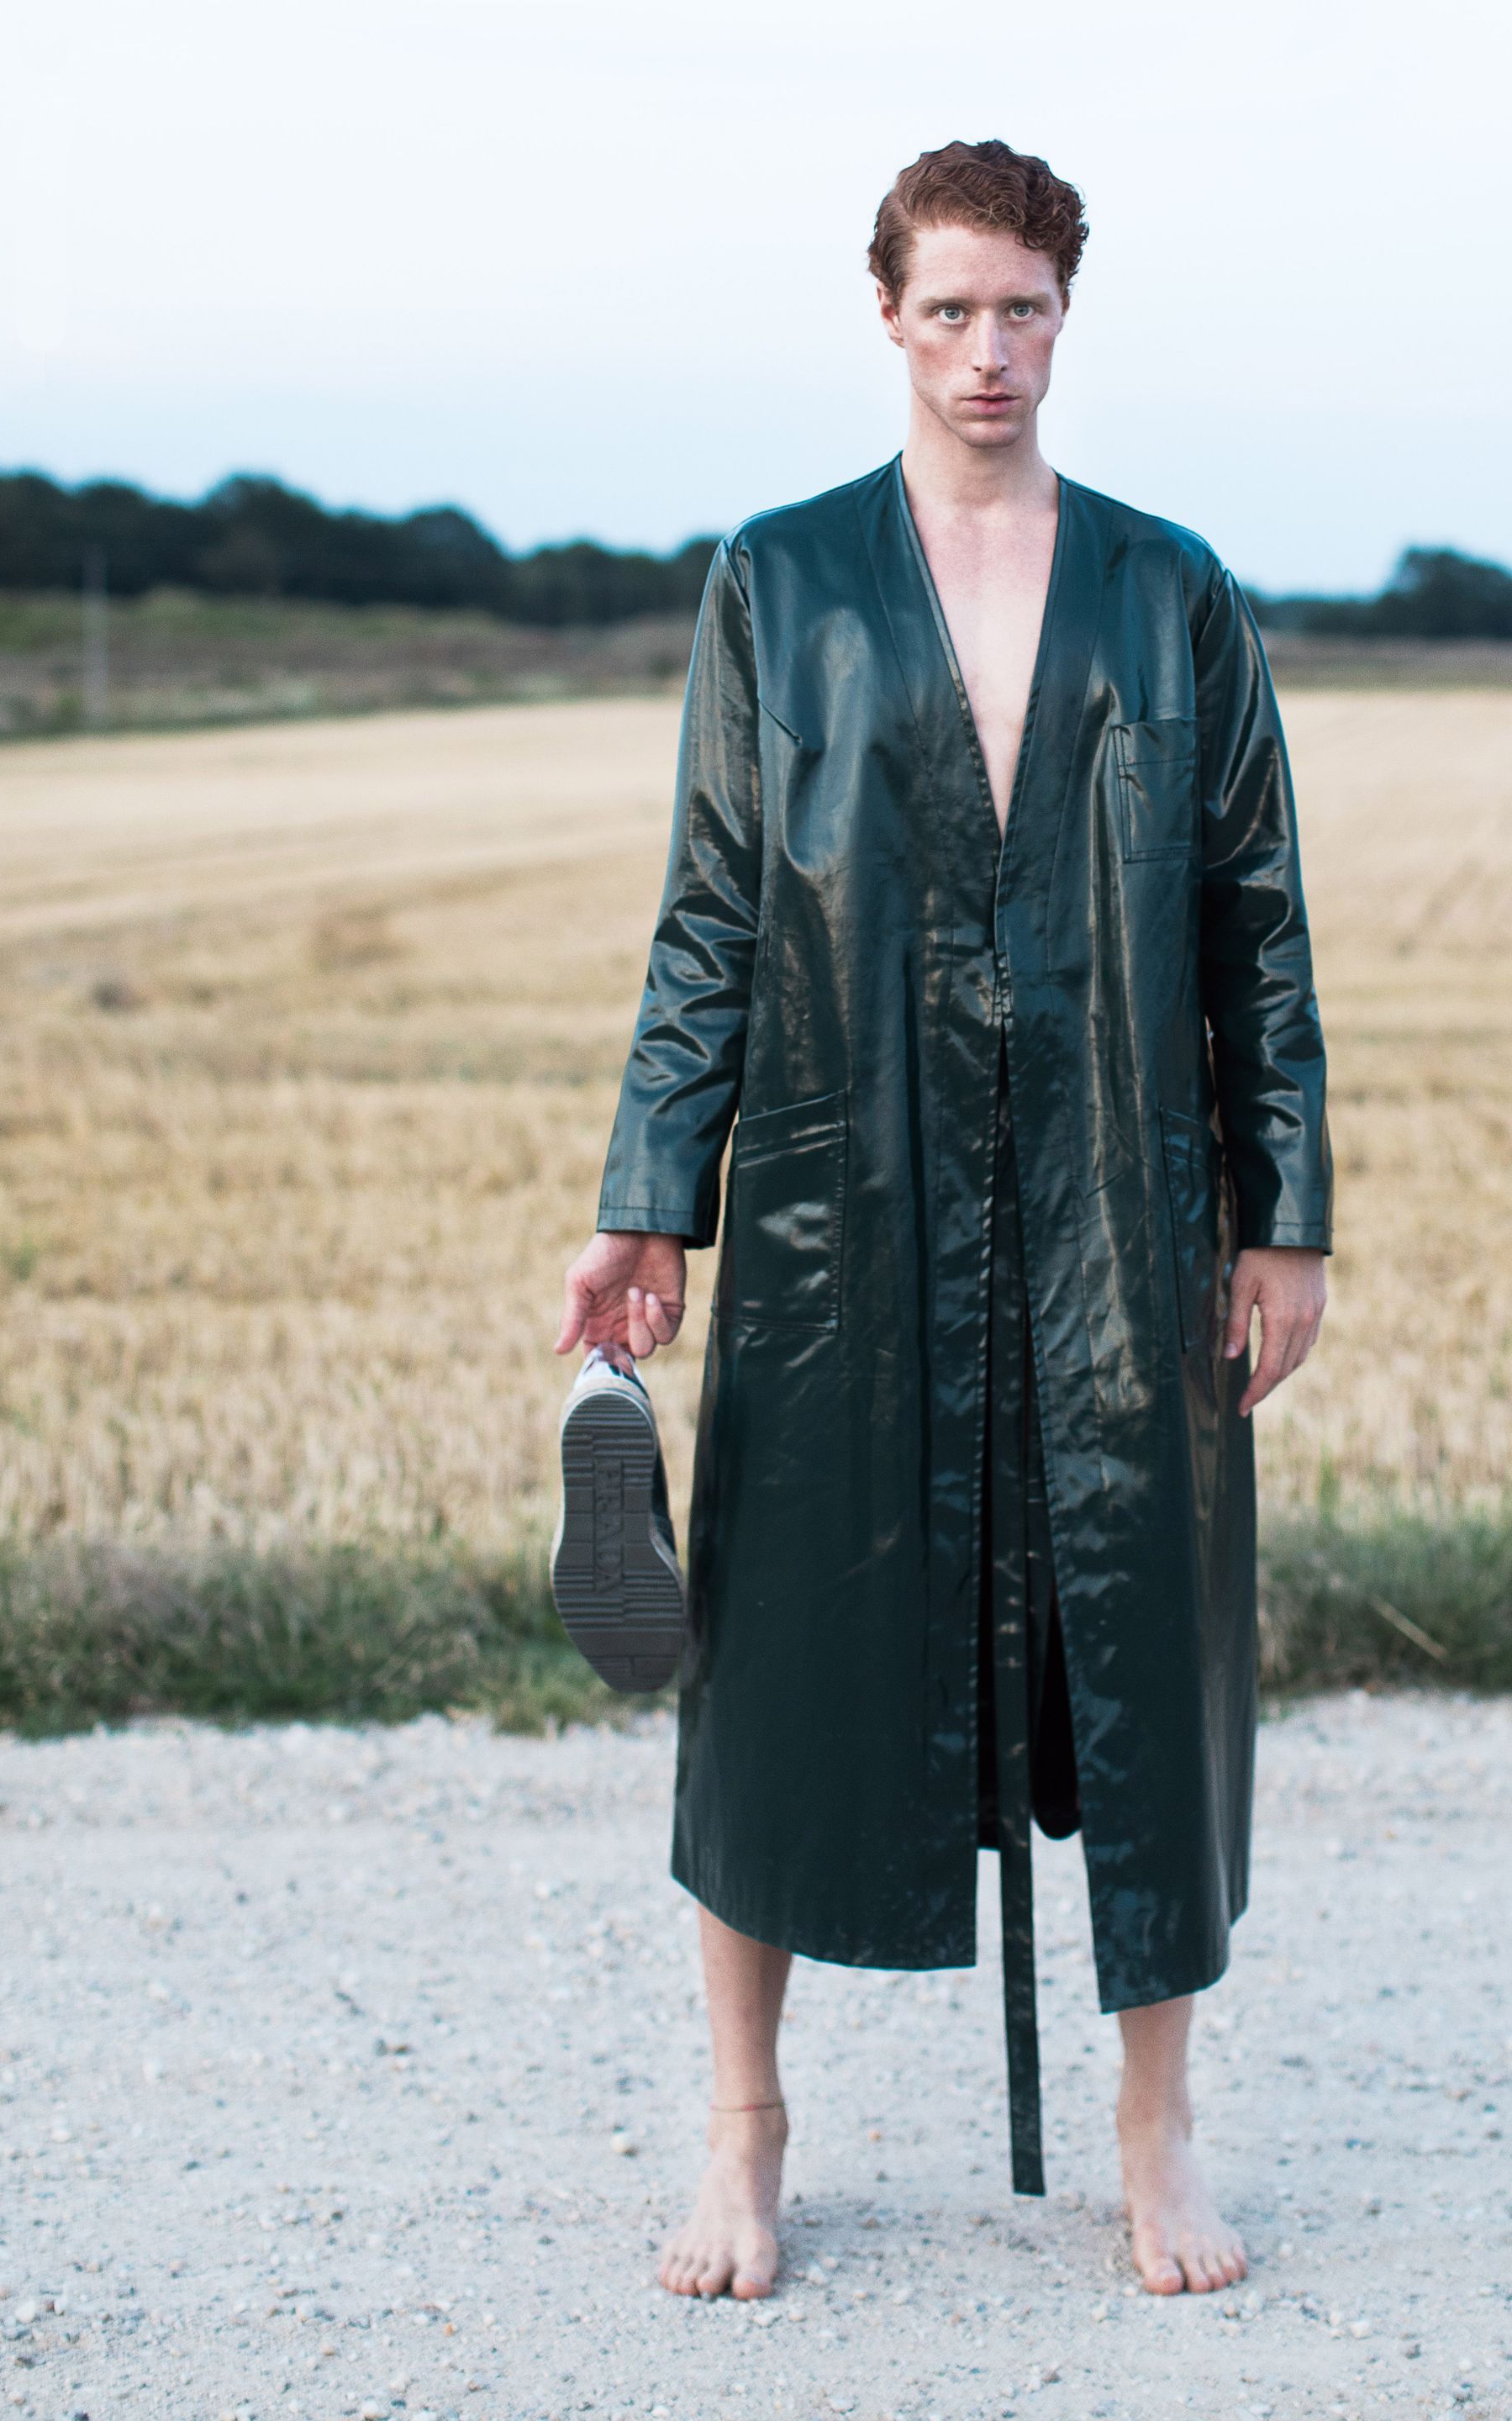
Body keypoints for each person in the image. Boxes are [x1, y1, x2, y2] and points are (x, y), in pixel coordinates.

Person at [554, 137, 1331, 2302]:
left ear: (1069, 318)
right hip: (835, 1209)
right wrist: (650, 1201)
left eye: (1026, 310)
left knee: (1146, 1663)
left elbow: (1256, 927)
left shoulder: (1173, 588)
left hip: (1124, 1217)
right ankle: (746, 2128)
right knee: (775, 1652)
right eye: (950, 310)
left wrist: (1287, 1218)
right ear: (886, 319)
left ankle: (1157, 2137)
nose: (990, 351)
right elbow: (714, 911)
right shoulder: (778, 581)